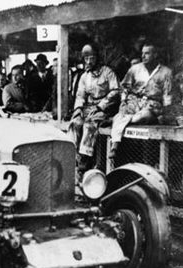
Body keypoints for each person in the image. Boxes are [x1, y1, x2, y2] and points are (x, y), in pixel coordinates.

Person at [109, 43, 173, 158]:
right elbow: (124, 87)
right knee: (121, 114)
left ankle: (121, 121)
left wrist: (165, 112)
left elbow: (167, 96)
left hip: (152, 105)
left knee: (141, 116)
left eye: (147, 53)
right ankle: (115, 144)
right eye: (142, 53)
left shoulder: (166, 72)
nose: (143, 56)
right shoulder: (135, 69)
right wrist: (124, 100)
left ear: (155, 54)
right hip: (135, 101)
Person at [68, 44, 120, 174]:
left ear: (97, 58)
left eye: (91, 58)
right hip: (88, 108)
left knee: (89, 125)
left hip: (105, 109)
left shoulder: (108, 72)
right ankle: (73, 157)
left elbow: (116, 91)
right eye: (86, 59)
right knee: (75, 123)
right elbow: (80, 95)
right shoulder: (85, 76)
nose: (88, 62)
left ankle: (84, 161)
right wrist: (78, 109)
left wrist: (100, 106)